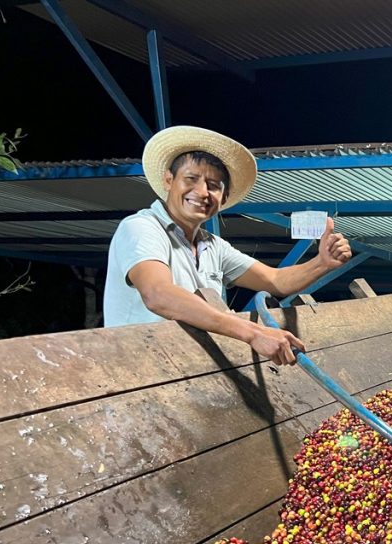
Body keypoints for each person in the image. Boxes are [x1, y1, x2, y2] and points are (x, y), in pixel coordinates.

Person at [104, 125, 352, 365]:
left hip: (185, 369)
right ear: (169, 180)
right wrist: (253, 333)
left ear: (223, 198)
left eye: (213, 186)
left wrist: (322, 263)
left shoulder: (214, 246)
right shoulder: (141, 227)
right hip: (136, 369)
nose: (202, 192)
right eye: (191, 179)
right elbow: (158, 294)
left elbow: (276, 281)